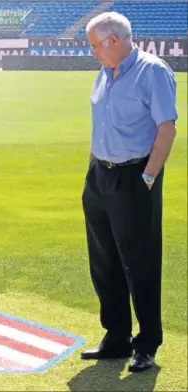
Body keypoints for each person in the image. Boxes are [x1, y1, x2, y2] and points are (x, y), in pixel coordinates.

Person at [81, 12, 178, 372]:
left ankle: (147, 343)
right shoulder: (104, 74)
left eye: (95, 45)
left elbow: (166, 128)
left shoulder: (152, 71)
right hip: (99, 177)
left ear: (115, 40)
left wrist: (149, 177)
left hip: (136, 176)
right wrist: (92, 169)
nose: (92, 52)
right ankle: (117, 336)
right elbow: (101, 125)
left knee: (140, 263)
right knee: (104, 261)